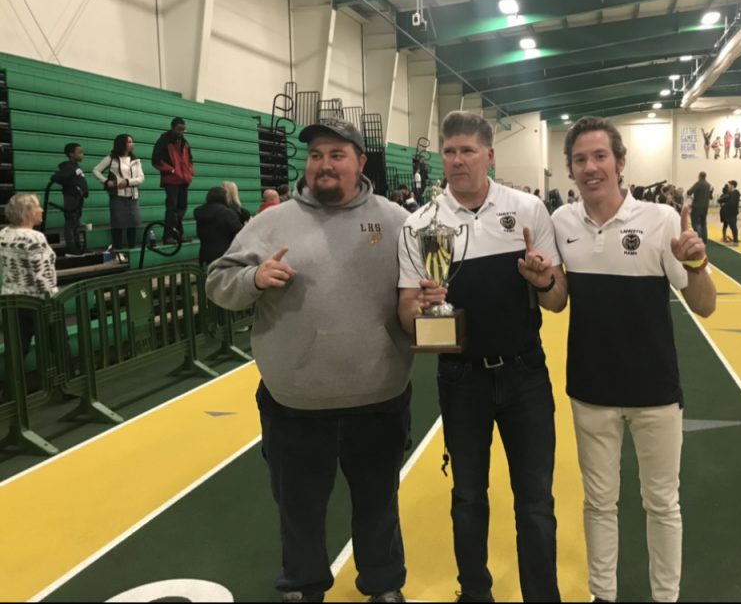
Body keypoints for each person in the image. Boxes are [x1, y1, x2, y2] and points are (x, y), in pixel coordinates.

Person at [206, 119, 413, 603]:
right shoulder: (270, 222)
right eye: (316, 154)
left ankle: (382, 585)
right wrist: (255, 278)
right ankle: (303, 585)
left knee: (378, 503)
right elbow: (218, 283)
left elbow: (418, 292)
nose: (324, 164)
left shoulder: (397, 221)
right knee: (298, 508)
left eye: (337, 154)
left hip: (379, 396)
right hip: (294, 403)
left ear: (361, 162)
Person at [398, 111, 567, 603]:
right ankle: (474, 592)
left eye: (467, 150)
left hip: (525, 375)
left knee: (535, 501)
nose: (457, 160)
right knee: (468, 496)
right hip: (460, 379)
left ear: (489, 155)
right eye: (449, 152)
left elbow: (557, 301)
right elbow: (406, 314)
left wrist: (543, 280)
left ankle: (543, 595)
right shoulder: (421, 225)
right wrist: (421, 305)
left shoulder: (529, 211)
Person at [551, 116, 715, 604]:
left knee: (662, 504)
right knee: (599, 503)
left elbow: (704, 305)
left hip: (654, 392)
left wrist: (696, 263)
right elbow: (556, 302)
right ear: (571, 170)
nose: (590, 167)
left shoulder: (661, 221)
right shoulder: (561, 223)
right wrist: (542, 280)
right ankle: (604, 594)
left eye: (600, 156)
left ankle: (666, 597)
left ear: (620, 163)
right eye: (580, 160)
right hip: (591, 391)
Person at [0, 194, 58, 362]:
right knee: (59, 344)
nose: (42, 210)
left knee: (17, 349)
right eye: (37, 207)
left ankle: (12, 387)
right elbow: (43, 277)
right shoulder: (34, 238)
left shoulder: (3, 234)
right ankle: (70, 382)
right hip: (37, 302)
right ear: (27, 211)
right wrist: (52, 299)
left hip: (11, 300)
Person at [92, 134, 144, 252]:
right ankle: (118, 251)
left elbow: (141, 178)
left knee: (133, 224)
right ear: (122, 144)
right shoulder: (111, 158)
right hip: (117, 196)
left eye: (132, 141)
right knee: (117, 224)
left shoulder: (136, 160)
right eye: (129, 142)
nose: (132, 144)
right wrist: (106, 181)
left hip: (133, 196)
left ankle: (132, 250)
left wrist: (128, 182)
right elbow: (96, 170)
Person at [152, 117, 194, 244]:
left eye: (183, 129)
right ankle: (168, 236)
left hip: (183, 180)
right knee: (172, 208)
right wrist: (172, 170)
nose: (181, 132)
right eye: (179, 129)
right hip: (171, 180)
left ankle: (178, 234)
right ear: (173, 128)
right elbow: (156, 160)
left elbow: (190, 160)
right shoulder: (163, 141)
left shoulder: (185, 143)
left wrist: (190, 172)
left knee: (182, 208)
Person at [51, 142, 89, 255]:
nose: (82, 154)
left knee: (76, 223)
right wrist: (72, 185)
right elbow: (56, 177)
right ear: (71, 154)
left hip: (78, 198)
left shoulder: (76, 167)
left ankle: (78, 246)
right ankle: (71, 248)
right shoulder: (68, 167)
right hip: (71, 197)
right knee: (71, 223)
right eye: (80, 152)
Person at [194, 187, 243, 266]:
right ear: (223, 198)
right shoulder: (227, 213)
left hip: (205, 254)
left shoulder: (199, 212)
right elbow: (239, 232)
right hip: (225, 255)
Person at [686, 171, 711, 243]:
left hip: (697, 206)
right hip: (705, 206)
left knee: (696, 223)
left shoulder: (698, 183)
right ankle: (705, 240)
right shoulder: (708, 185)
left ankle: (699, 239)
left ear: (699, 176)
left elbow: (689, 192)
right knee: (703, 223)